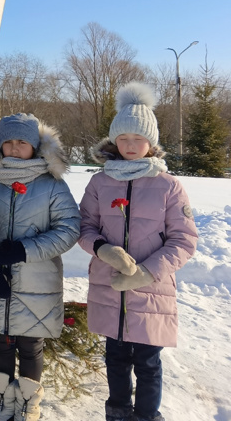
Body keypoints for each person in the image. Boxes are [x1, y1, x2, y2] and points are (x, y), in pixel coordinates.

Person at [78, 83, 198, 421]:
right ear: (114, 141)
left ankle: (146, 416)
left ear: (151, 143)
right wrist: (103, 249)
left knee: (147, 362)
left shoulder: (168, 185)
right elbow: (84, 227)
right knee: (115, 357)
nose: (131, 146)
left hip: (151, 290)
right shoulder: (100, 182)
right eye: (124, 139)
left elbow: (184, 239)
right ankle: (117, 412)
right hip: (109, 286)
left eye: (138, 139)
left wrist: (147, 271)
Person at [0, 112, 80, 421]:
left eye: (23, 142)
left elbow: (69, 228)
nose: (15, 148)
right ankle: (3, 401)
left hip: (37, 281)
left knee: (31, 345)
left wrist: (23, 250)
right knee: (2, 341)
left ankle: (29, 403)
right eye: (9, 142)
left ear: (35, 146)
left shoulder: (51, 185)